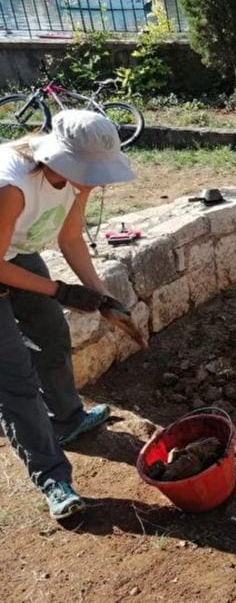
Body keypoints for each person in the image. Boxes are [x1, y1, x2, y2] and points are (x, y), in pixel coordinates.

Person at [0, 110, 136, 520]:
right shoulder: (13, 186)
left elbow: (70, 237)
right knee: (15, 379)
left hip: (15, 254)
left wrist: (102, 297)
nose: (95, 179)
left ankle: (67, 418)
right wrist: (60, 290)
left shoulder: (78, 179)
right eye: (90, 170)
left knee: (52, 334)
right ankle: (52, 477)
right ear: (60, 156)